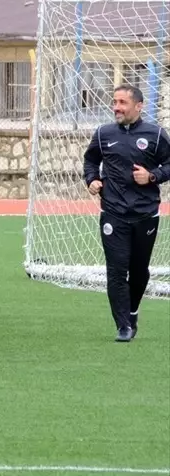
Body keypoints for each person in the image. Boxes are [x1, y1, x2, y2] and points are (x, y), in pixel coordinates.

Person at [83, 84, 169, 342]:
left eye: (122, 102)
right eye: (114, 102)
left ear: (138, 106)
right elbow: (90, 160)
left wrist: (152, 176)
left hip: (145, 214)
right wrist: (92, 180)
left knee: (139, 270)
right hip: (113, 212)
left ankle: (132, 312)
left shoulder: (156, 134)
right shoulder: (103, 133)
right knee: (116, 271)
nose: (117, 107)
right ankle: (122, 325)